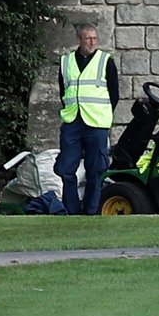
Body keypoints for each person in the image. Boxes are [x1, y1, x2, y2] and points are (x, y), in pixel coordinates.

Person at [54, 23, 119, 215]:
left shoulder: (105, 60)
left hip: (97, 122)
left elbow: (114, 93)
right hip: (73, 121)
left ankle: (91, 210)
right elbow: (63, 90)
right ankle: (72, 210)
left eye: (94, 38)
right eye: (87, 38)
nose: (91, 42)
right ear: (78, 40)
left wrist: (103, 113)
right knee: (66, 168)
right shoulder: (66, 62)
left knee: (96, 169)